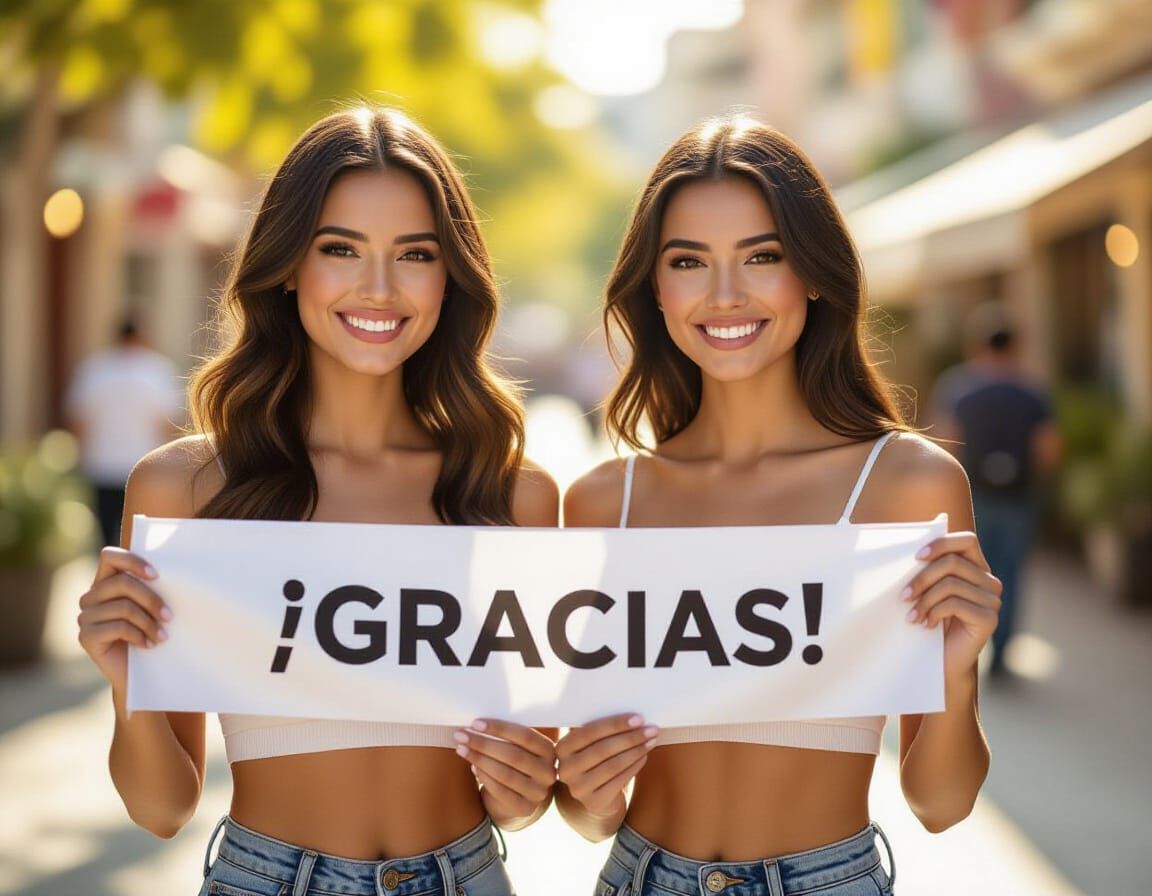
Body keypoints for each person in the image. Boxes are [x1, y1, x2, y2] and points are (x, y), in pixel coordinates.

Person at [76, 108, 559, 896]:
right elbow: (162, 808)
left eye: (414, 254)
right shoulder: (185, 489)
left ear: (450, 276)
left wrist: (526, 785)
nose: (378, 286)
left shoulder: (515, 496)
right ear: (290, 264)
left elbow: (527, 795)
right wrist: (124, 674)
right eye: (340, 249)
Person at [555, 116, 1002, 895]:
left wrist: (958, 674)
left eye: (763, 256)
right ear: (655, 288)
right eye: (689, 261)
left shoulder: (908, 485)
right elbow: (589, 811)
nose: (726, 294)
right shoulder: (601, 504)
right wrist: (587, 794)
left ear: (815, 273)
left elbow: (940, 805)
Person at [933, 307, 1062, 677]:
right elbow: (1049, 448)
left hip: (974, 496)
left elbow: (945, 441)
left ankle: (968, 649)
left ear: (977, 347)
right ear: (1016, 347)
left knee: (970, 572)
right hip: (1019, 496)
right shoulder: (1033, 390)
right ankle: (1002, 654)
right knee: (1011, 575)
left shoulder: (958, 388)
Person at [64, 316, 183, 546]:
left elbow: (79, 420)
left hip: (101, 464)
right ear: (142, 336)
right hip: (145, 467)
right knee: (139, 540)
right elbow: (170, 424)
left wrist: (78, 459)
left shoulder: (95, 369)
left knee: (104, 534)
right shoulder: (158, 370)